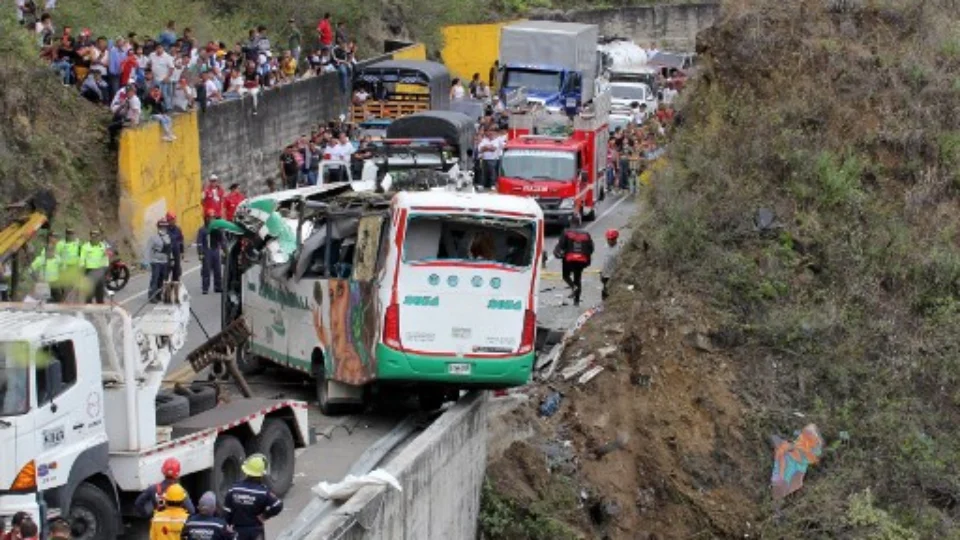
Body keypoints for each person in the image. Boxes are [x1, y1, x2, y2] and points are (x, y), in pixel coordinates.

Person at [224, 454, 283, 540]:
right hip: (256, 532)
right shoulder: (263, 492)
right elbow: (278, 505)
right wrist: (265, 516)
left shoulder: (233, 489)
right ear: (261, 475)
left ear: (246, 472)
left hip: (238, 532)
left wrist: (227, 528)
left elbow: (227, 513)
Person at [553, 213, 594, 306]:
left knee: (565, 276)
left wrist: (558, 254)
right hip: (582, 260)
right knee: (577, 278)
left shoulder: (566, 232)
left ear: (570, 222)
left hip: (569, 260)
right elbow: (591, 248)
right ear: (579, 222)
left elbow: (561, 246)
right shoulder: (586, 234)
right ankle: (576, 301)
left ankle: (573, 287)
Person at [143, 219, 172, 303]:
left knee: (162, 279)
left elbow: (169, 250)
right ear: (158, 227)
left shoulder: (167, 237)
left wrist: (171, 259)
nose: (163, 229)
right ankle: (152, 296)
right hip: (156, 261)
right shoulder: (153, 238)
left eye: (165, 227)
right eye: (162, 227)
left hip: (164, 261)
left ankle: (159, 295)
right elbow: (147, 249)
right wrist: (146, 262)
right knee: (155, 279)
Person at [80, 229, 110, 303]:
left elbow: (105, 259)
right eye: (93, 236)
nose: (95, 238)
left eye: (97, 236)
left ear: (99, 237)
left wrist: (106, 272)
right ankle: (88, 309)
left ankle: (100, 308)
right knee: (89, 295)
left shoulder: (103, 246)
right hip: (89, 272)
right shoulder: (85, 247)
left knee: (100, 294)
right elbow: (81, 260)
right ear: (90, 237)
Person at [197, 210, 223, 295]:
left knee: (218, 270)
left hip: (216, 250)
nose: (211, 219)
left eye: (213, 218)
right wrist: (200, 253)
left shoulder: (217, 228)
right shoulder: (202, 230)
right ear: (206, 218)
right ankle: (205, 288)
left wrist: (224, 250)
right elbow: (199, 242)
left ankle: (218, 287)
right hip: (207, 251)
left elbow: (221, 240)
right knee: (206, 270)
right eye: (210, 217)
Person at [30, 233, 62, 302]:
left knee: (58, 300)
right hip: (44, 284)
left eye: (52, 250)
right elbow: (30, 269)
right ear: (46, 251)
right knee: (44, 302)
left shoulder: (58, 259)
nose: (51, 252)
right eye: (49, 250)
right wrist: (36, 279)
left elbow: (62, 269)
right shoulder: (41, 259)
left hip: (55, 284)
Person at [600, 229, 620, 300]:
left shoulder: (619, 248)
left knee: (613, 292)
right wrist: (601, 272)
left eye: (612, 239)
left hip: (614, 275)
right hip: (605, 274)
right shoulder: (605, 246)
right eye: (608, 239)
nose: (610, 241)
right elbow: (604, 261)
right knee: (605, 292)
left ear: (616, 238)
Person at [164, 212, 184, 282]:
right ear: (168, 220)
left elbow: (181, 241)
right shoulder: (164, 230)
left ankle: (175, 283)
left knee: (177, 269)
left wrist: (182, 252)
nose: (173, 221)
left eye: (174, 219)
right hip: (167, 253)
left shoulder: (178, 229)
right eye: (171, 219)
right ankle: (165, 284)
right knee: (166, 269)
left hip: (176, 252)